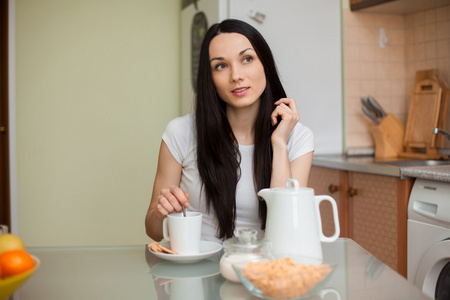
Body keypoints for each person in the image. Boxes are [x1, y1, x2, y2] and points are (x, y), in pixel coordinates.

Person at [145, 19, 314, 244]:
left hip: (263, 272)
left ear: (265, 64)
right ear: (210, 78)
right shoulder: (180, 132)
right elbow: (153, 231)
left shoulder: (298, 138)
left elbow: (287, 232)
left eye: (247, 59)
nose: (236, 75)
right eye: (221, 66)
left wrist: (279, 143)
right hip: (197, 271)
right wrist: (160, 212)